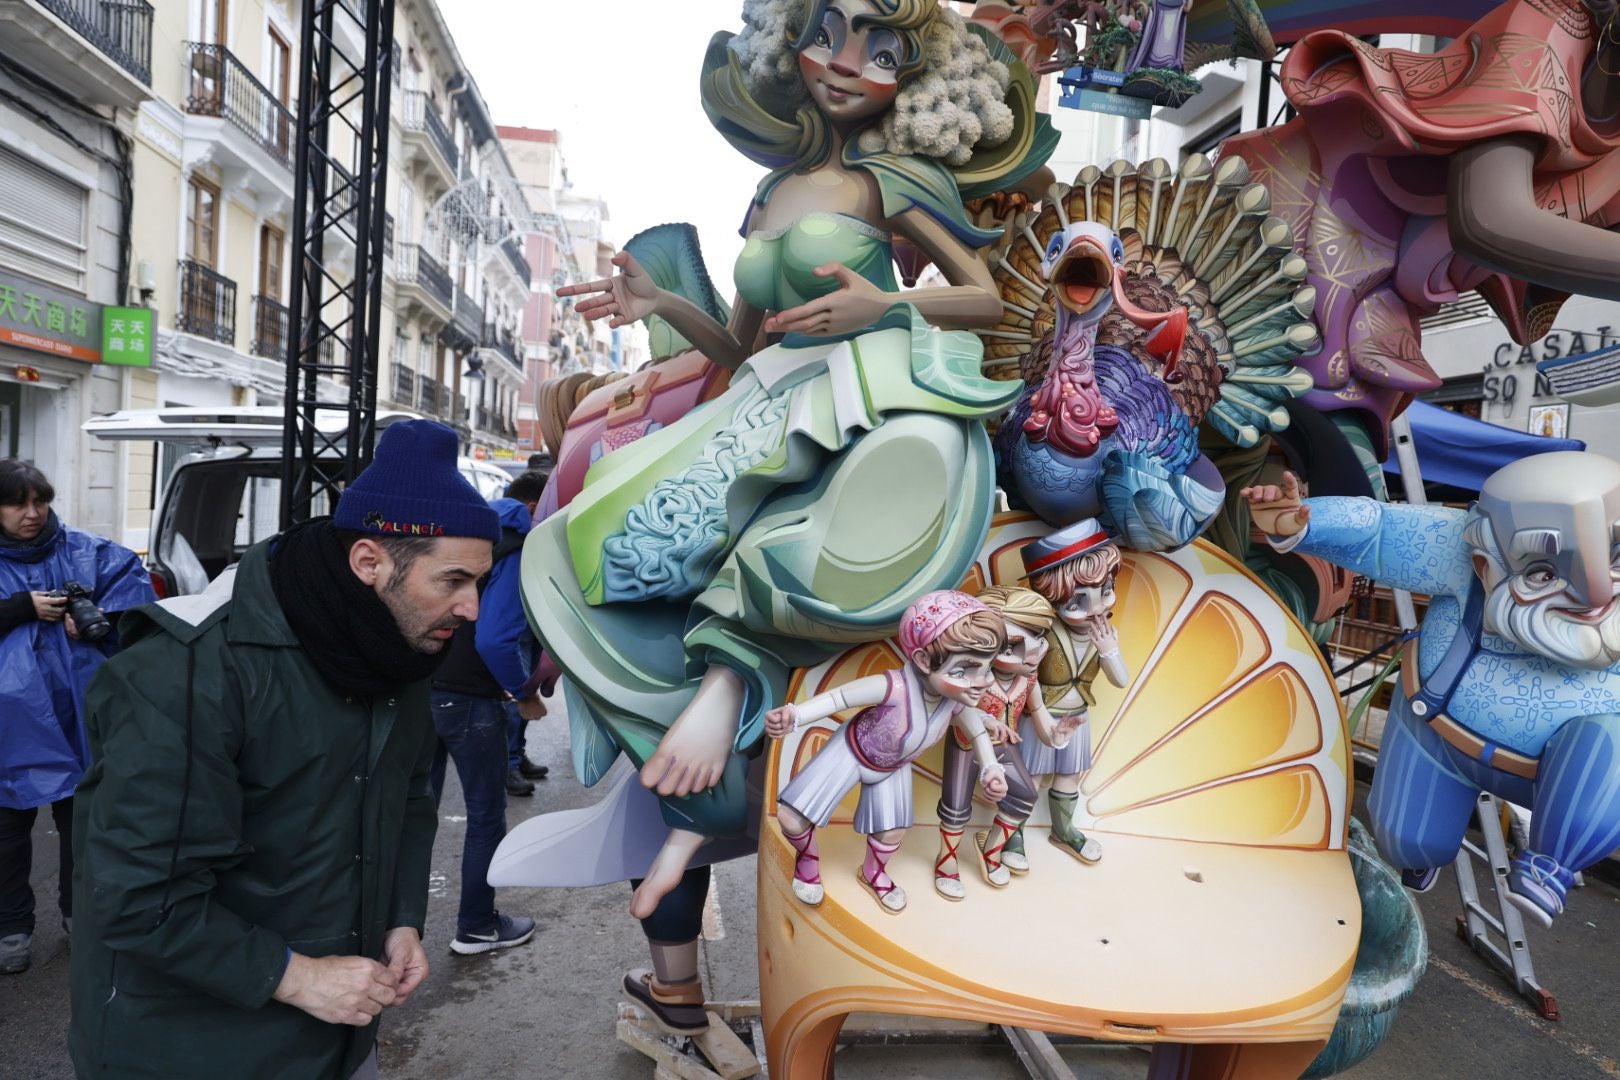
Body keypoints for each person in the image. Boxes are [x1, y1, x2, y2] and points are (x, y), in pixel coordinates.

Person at [529, 0, 1054, 924]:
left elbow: (985, 299)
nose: (846, 62)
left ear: (920, 79)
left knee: (822, 510)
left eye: (881, 49)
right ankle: (696, 794)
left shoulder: (894, 182)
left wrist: (884, 310)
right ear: (789, 47)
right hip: (769, 392)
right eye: (827, 35)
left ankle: (728, 686)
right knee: (600, 529)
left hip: (872, 391)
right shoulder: (769, 196)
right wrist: (659, 302)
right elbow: (735, 346)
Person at [69, 420, 498, 1079]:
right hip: (184, 1048)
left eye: (480, 583)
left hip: (337, 1039)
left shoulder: (399, 652)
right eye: (453, 581)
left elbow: (408, 801)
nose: (471, 608)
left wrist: (400, 919)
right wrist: (299, 979)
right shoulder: (191, 672)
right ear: (369, 563)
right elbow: (137, 896)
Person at [1243, 456, 1620, 928]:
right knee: (1407, 838)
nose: (1597, 594)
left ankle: (1551, 867)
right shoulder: (1457, 545)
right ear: (1487, 558)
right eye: (1543, 571)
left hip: (1559, 770)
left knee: (1610, 750)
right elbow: (1377, 528)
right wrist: (1300, 519)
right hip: (1439, 733)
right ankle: (1420, 853)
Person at [0, 460, 154, 975]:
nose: (32, 514)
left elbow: (143, 616)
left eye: (40, 501)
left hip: (80, 718)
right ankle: (10, 929)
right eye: (17, 503)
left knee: (82, 825)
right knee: (6, 830)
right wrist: (21, 607)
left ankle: (78, 915)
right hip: (8, 726)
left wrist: (100, 623)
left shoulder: (92, 553)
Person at [768, 590, 1009, 914]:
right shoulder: (893, 686)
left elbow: (976, 730)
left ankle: (873, 872)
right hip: (850, 750)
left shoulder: (955, 700)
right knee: (791, 818)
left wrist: (991, 766)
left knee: (892, 832)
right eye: (964, 670)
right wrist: (795, 716)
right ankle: (808, 858)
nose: (981, 682)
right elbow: (839, 699)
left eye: (987, 667)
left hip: (893, 767)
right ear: (923, 660)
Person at [424, 474, 542, 957]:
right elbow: (496, 637)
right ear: (536, 505)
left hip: (424, 686)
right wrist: (523, 691)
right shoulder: (518, 548)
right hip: (472, 696)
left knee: (413, 815)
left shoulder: (466, 531)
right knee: (485, 816)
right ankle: (477, 926)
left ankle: (392, 934)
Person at [477, 470, 551, 796]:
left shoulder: (496, 522)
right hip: (512, 627)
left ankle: (515, 757)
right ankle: (507, 764)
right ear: (534, 506)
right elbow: (496, 636)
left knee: (517, 696)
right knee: (515, 696)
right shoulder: (518, 535)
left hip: (518, 626)